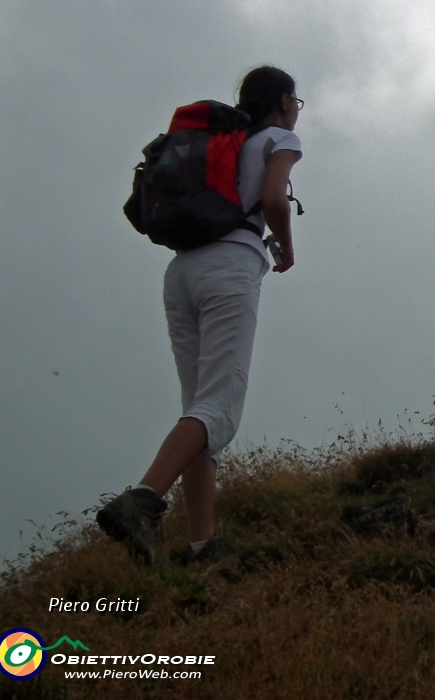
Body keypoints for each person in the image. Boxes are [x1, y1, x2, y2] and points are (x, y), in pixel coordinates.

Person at [96, 66, 303, 565]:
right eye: (295, 99)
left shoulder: (226, 141)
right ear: (282, 100)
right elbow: (273, 198)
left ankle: (201, 545)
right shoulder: (282, 138)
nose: (297, 108)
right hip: (231, 264)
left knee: (199, 406)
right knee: (220, 409)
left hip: (182, 271)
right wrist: (285, 246)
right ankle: (141, 501)